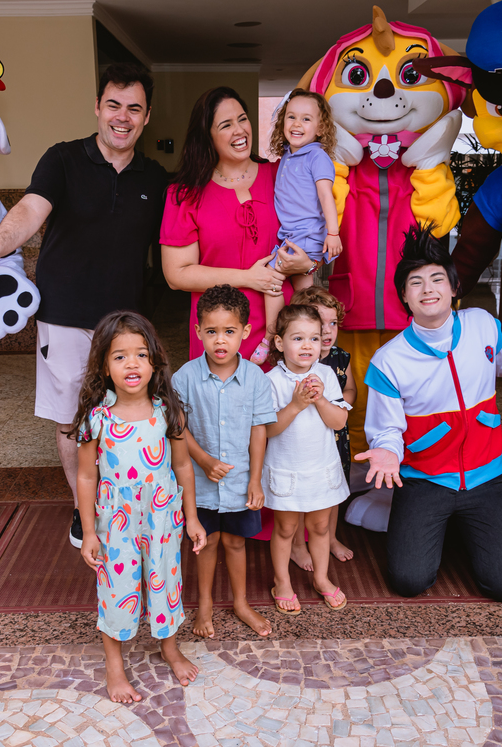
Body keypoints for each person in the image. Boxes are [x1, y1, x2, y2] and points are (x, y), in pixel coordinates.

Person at [0, 63, 168, 549]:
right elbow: (31, 208)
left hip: (127, 324)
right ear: (98, 107)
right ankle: (83, 509)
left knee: (125, 415)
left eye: (134, 108)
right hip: (65, 314)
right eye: (113, 105)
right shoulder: (64, 159)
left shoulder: (154, 177)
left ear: (147, 116)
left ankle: (123, 502)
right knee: (73, 419)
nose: (122, 117)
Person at [356, 225, 502, 602]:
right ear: (404, 298)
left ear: (454, 288)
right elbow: (386, 426)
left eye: (438, 278)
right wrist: (388, 450)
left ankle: (459, 526)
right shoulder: (388, 360)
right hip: (424, 479)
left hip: (485, 477)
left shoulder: (480, 324)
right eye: (416, 283)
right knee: (409, 581)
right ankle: (437, 524)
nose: (428, 288)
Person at [71, 311, 206, 704]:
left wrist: (193, 518)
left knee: (166, 582)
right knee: (116, 591)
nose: (132, 363)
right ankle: (115, 667)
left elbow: (183, 465)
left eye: (141, 354)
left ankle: (169, 646)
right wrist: (88, 532)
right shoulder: (95, 419)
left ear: (154, 362)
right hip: (116, 523)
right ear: (103, 366)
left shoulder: (168, 412)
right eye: (119, 356)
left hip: (163, 517)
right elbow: (85, 477)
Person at [160, 87, 315, 364]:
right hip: (219, 334)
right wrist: (247, 278)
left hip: (284, 331)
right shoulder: (184, 194)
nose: (239, 130)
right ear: (207, 136)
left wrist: (307, 265)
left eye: (242, 119)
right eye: (226, 124)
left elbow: (310, 233)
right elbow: (176, 274)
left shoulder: (282, 174)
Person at [172, 285, 275, 638]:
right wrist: (202, 460)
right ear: (198, 330)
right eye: (211, 331)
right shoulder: (184, 378)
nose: (220, 340)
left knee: (235, 542)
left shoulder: (256, 379)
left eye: (229, 331)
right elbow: (178, 428)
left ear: (245, 332)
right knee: (207, 542)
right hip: (199, 485)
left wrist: (255, 480)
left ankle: (241, 603)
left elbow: (259, 430)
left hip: (240, 481)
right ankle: (204, 606)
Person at [263, 304, 352, 614]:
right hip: (287, 469)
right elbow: (269, 429)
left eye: (314, 339)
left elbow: (339, 422)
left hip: (321, 468)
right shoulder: (272, 380)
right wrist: (297, 403)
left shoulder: (326, 373)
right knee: (286, 529)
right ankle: (282, 581)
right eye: (298, 338)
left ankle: (322, 578)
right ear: (279, 343)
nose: (307, 346)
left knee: (320, 527)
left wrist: (321, 400)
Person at [252, 90, 342, 364]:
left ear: (321, 128)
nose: (296, 124)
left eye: (306, 119)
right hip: (291, 237)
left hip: (306, 238)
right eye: (291, 117)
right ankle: (303, 343)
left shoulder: (317, 157)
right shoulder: (288, 158)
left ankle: (273, 338)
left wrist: (333, 232)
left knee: (282, 284)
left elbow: (327, 196)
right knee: (300, 296)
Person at [288, 285, 356, 569]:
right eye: (320, 324)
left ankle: (329, 538)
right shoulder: (297, 360)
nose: (328, 331)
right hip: (304, 437)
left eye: (333, 323)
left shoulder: (340, 357)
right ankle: (297, 545)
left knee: (334, 486)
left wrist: (341, 404)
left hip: (336, 433)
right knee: (304, 491)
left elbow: (349, 389)